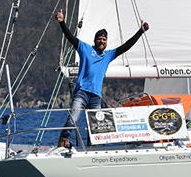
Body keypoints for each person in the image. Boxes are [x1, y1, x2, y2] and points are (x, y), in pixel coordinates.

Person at [55, 9, 149, 148]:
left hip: (96, 96)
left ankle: (91, 148)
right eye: (99, 39)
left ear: (106, 42)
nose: (102, 41)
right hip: (82, 92)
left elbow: (126, 46)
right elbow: (70, 37)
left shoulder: (108, 55)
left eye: (104, 39)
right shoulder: (85, 49)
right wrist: (62, 22)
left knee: (96, 126)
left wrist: (140, 32)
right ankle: (63, 140)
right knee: (73, 118)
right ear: (95, 40)